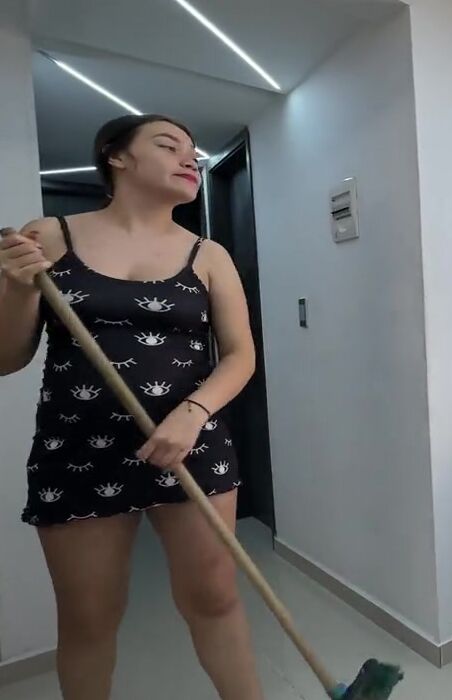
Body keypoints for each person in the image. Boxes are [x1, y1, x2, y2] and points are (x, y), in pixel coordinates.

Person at [0, 114, 263, 699]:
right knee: (89, 618)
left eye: (194, 152)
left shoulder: (209, 254)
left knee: (215, 598)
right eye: (168, 146)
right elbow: (7, 358)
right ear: (115, 157)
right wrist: (15, 287)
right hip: (75, 449)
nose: (189, 159)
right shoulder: (48, 237)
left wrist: (192, 414)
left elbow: (240, 355)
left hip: (192, 444)